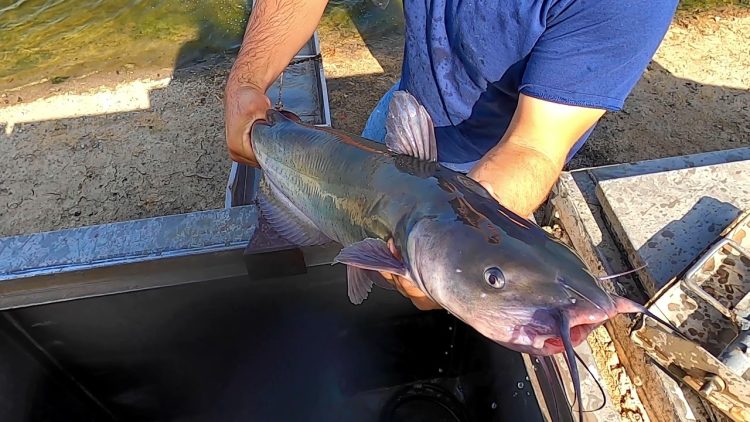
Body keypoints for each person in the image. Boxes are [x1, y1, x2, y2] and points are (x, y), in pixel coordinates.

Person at [224, 0, 679, 310]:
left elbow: (533, 145)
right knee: (324, 211)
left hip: (485, 170)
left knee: (428, 276)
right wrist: (246, 83)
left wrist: (455, 253)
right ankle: (282, 257)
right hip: (409, 119)